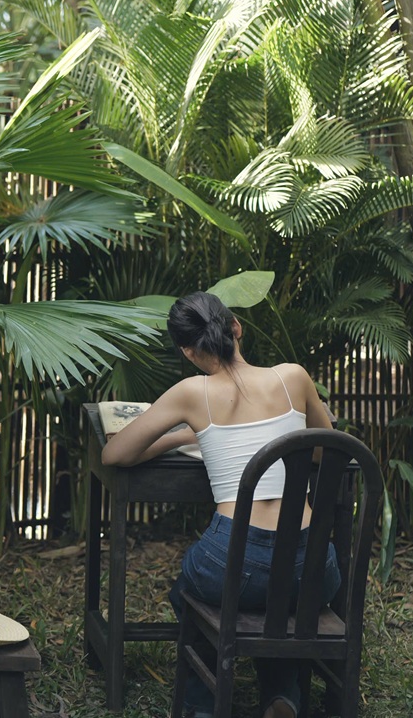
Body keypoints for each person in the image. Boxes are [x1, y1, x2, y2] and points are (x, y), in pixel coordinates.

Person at [101, 291, 341, 718]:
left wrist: (182, 434)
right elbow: (327, 451)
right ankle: (282, 693)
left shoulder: (192, 393)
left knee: (187, 590)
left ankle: (202, 707)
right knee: (281, 600)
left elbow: (114, 454)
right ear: (237, 327)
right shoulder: (294, 376)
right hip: (313, 569)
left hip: (238, 559)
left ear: (188, 352)